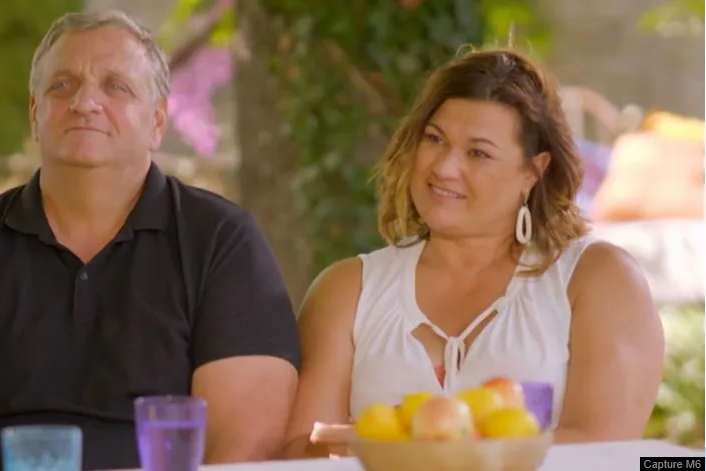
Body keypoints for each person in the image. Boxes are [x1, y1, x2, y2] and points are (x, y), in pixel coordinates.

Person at [0, 9, 300, 471]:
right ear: (35, 114)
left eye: (116, 86)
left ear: (158, 121)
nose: (84, 102)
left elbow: (245, 447)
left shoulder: (223, 242)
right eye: (62, 85)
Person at [280, 48, 664, 459]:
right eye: (434, 139)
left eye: (478, 153)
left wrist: (407, 447)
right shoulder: (346, 290)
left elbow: (605, 452)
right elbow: (298, 455)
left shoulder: (598, 279)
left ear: (533, 171)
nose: (444, 168)